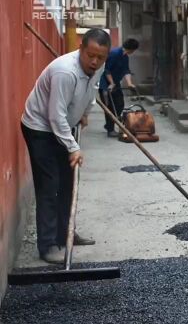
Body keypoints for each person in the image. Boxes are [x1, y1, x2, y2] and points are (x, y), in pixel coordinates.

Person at [21, 28, 110, 264]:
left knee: (68, 183)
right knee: (49, 185)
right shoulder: (65, 72)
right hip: (39, 127)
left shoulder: (98, 66)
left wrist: (84, 113)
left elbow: (91, 92)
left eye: (100, 57)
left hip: (62, 126)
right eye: (90, 55)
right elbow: (55, 116)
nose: (94, 61)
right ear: (80, 48)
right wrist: (73, 147)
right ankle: (48, 245)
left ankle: (66, 233)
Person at [99, 38, 139, 137]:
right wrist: (111, 83)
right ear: (132, 49)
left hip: (115, 83)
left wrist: (129, 83)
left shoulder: (125, 56)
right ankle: (110, 129)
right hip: (105, 84)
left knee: (120, 104)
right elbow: (107, 70)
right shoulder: (114, 53)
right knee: (109, 107)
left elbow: (126, 70)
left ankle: (109, 124)